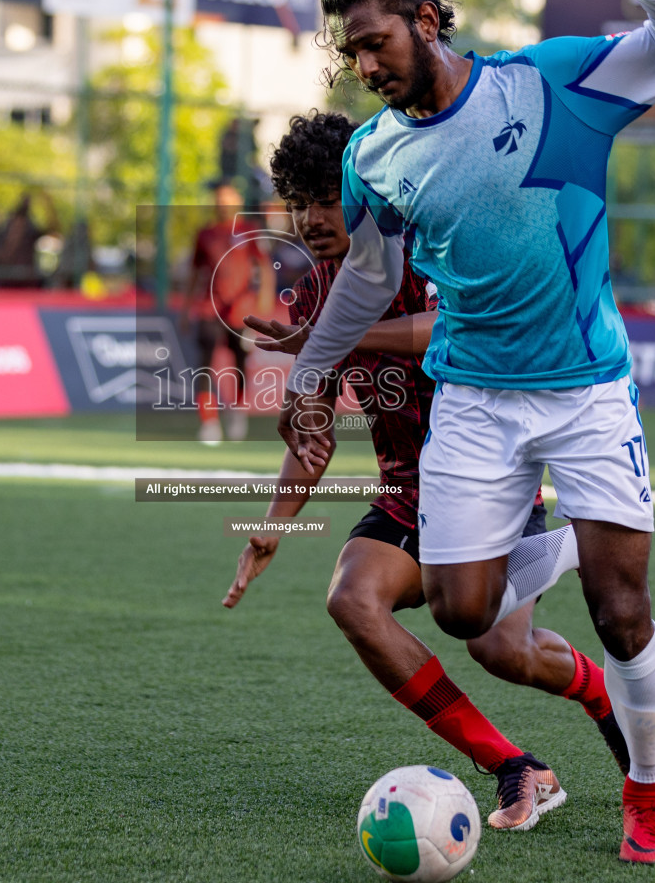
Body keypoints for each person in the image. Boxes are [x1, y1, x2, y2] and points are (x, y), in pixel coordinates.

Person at [276, 0, 655, 863]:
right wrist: (310, 376)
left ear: (427, 21)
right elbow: (364, 280)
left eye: (375, 42)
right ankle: (561, 546)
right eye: (349, 51)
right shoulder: (372, 156)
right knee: (463, 610)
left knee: (621, 609)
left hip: (585, 387)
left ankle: (649, 793)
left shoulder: (550, 83)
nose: (362, 64)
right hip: (474, 403)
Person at [229, 112, 628, 832]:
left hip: (490, 479)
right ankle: (516, 767)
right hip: (409, 495)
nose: (310, 218)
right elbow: (313, 432)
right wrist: (272, 526)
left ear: (365, 191)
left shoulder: (431, 243)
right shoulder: (316, 288)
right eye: (297, 202)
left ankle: (603, 693)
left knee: (501, 649)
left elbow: (449, 332)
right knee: (352, 599)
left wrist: (330, 336)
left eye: (326, 198)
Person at [182, 181, 271, 444]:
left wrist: (264, 297)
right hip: (210, 310)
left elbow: (264, 266)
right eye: (219, 200)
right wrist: (186, 310)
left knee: (240, 364)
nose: (223, 205)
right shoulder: (205, 234)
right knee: (205, 364)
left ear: (237, 202)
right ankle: (208, 422)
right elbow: (195, 273)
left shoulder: (249, 231)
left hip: (240, 312)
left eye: (227, 200)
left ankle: (237, 411)